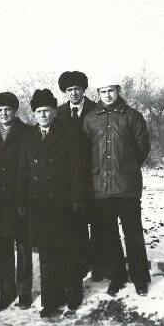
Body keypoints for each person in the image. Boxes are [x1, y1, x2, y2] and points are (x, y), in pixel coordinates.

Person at [18, 89, 89, 318]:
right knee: (47, 255)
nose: (43, 115)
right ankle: (50, 300)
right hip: (38, 205)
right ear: (34, 114)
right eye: (38, 111)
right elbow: (23, 172)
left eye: (47, 111)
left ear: (54, 111)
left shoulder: (69, 134)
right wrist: (21, 200)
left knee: (68, 251)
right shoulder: (28, 138)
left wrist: (78, 199)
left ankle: (73, 295)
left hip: (63, 204)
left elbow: (78, 171)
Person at [82, 77, 152, 297]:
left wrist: (126, 168)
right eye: (103, 92)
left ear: (118, 91)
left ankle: (140, 278)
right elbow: (85, 150)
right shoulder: (90, 119)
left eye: (111, 91)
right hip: (101, 188)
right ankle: (118, 276)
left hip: (127, 187)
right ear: (98, 94)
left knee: (133, 233)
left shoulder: (133, 116)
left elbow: (142, 147)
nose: (107, 96)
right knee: (109, 235)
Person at [0, 91, 33, 311]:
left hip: (20, 198)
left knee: (23, 247)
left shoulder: (27, 132)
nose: (3, 114)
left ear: (14, 111)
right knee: (3, 249)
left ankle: (24, 292)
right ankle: (6, 292)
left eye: (7, 110)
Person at [57, 70, 110, 282]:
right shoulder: (59, 113)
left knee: (98, 221)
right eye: (69, 90)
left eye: (77, 89)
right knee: (75, 222)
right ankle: (80, 264)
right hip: (70, 178)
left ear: (84, 90)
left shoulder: (96, 110)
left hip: (95, 175)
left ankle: (99, 265)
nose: (73, 93)